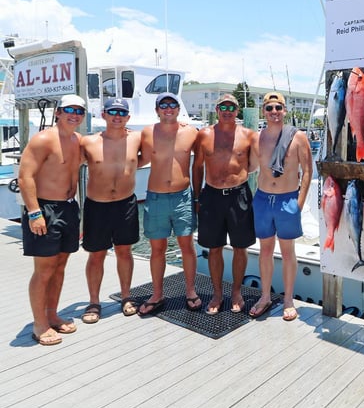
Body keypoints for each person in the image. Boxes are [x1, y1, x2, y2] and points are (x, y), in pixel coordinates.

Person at [18, 94, 86, 345]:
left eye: (79, 111)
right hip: (44, 209)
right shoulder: (43, 139)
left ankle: (51, 314)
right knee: (44, 270)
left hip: (68, 209)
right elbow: (25, 177)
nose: (74, 114)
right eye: (69, 109)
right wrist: (34, 213)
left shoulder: (78, 140)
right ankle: (39, 324)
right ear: (58, 112)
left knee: (59, 266)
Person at [192, 93, 258, 315]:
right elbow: (197, 167)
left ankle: (237, 292)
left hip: (239, 195)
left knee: (241, 247)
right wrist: (196, 196)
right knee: (214, 248)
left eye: (232, 107)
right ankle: (218, 293)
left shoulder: (249, 135)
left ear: (237, 111)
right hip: (211, 195)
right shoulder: (204, 135)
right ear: (217, 110)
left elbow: (259, 162)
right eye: (223, 107)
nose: (227, 110)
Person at [249, 92, 313, 321]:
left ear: (285, 110)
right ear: (263, 111)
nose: (274, 112)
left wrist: (299, 203)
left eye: (278, 108)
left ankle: (288, 300)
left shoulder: (299, 137)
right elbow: (247, 166)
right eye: (269, 108)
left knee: (288, 252)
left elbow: (308, 172)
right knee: (265, 251)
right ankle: (265, 296)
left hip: (287, 200)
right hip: (264, 199)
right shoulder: (257, 138)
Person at [80, 98, 145, 324]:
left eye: (121, 112)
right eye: (112, 112)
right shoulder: (88, 142)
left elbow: (152, 149)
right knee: (96, 255)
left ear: (128, 117)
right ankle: (94, 302)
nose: (117, 116)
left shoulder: (137, 138)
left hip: (126, 204)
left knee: (124, 251)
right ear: (103, 114)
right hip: (97, 206)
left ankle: (126, 296)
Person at [138, 92, 200, 315]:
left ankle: (191, 291)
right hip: (155, 198)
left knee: (187, 246)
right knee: (157, 249)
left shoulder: (191, 132)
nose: (168, 108)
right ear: (157, 110)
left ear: (178, 109)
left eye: (172, 104)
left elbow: (204, 159)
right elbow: (134, 158)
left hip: (182, 196)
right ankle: (157, 294)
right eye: (163, 105)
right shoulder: (146, 132)